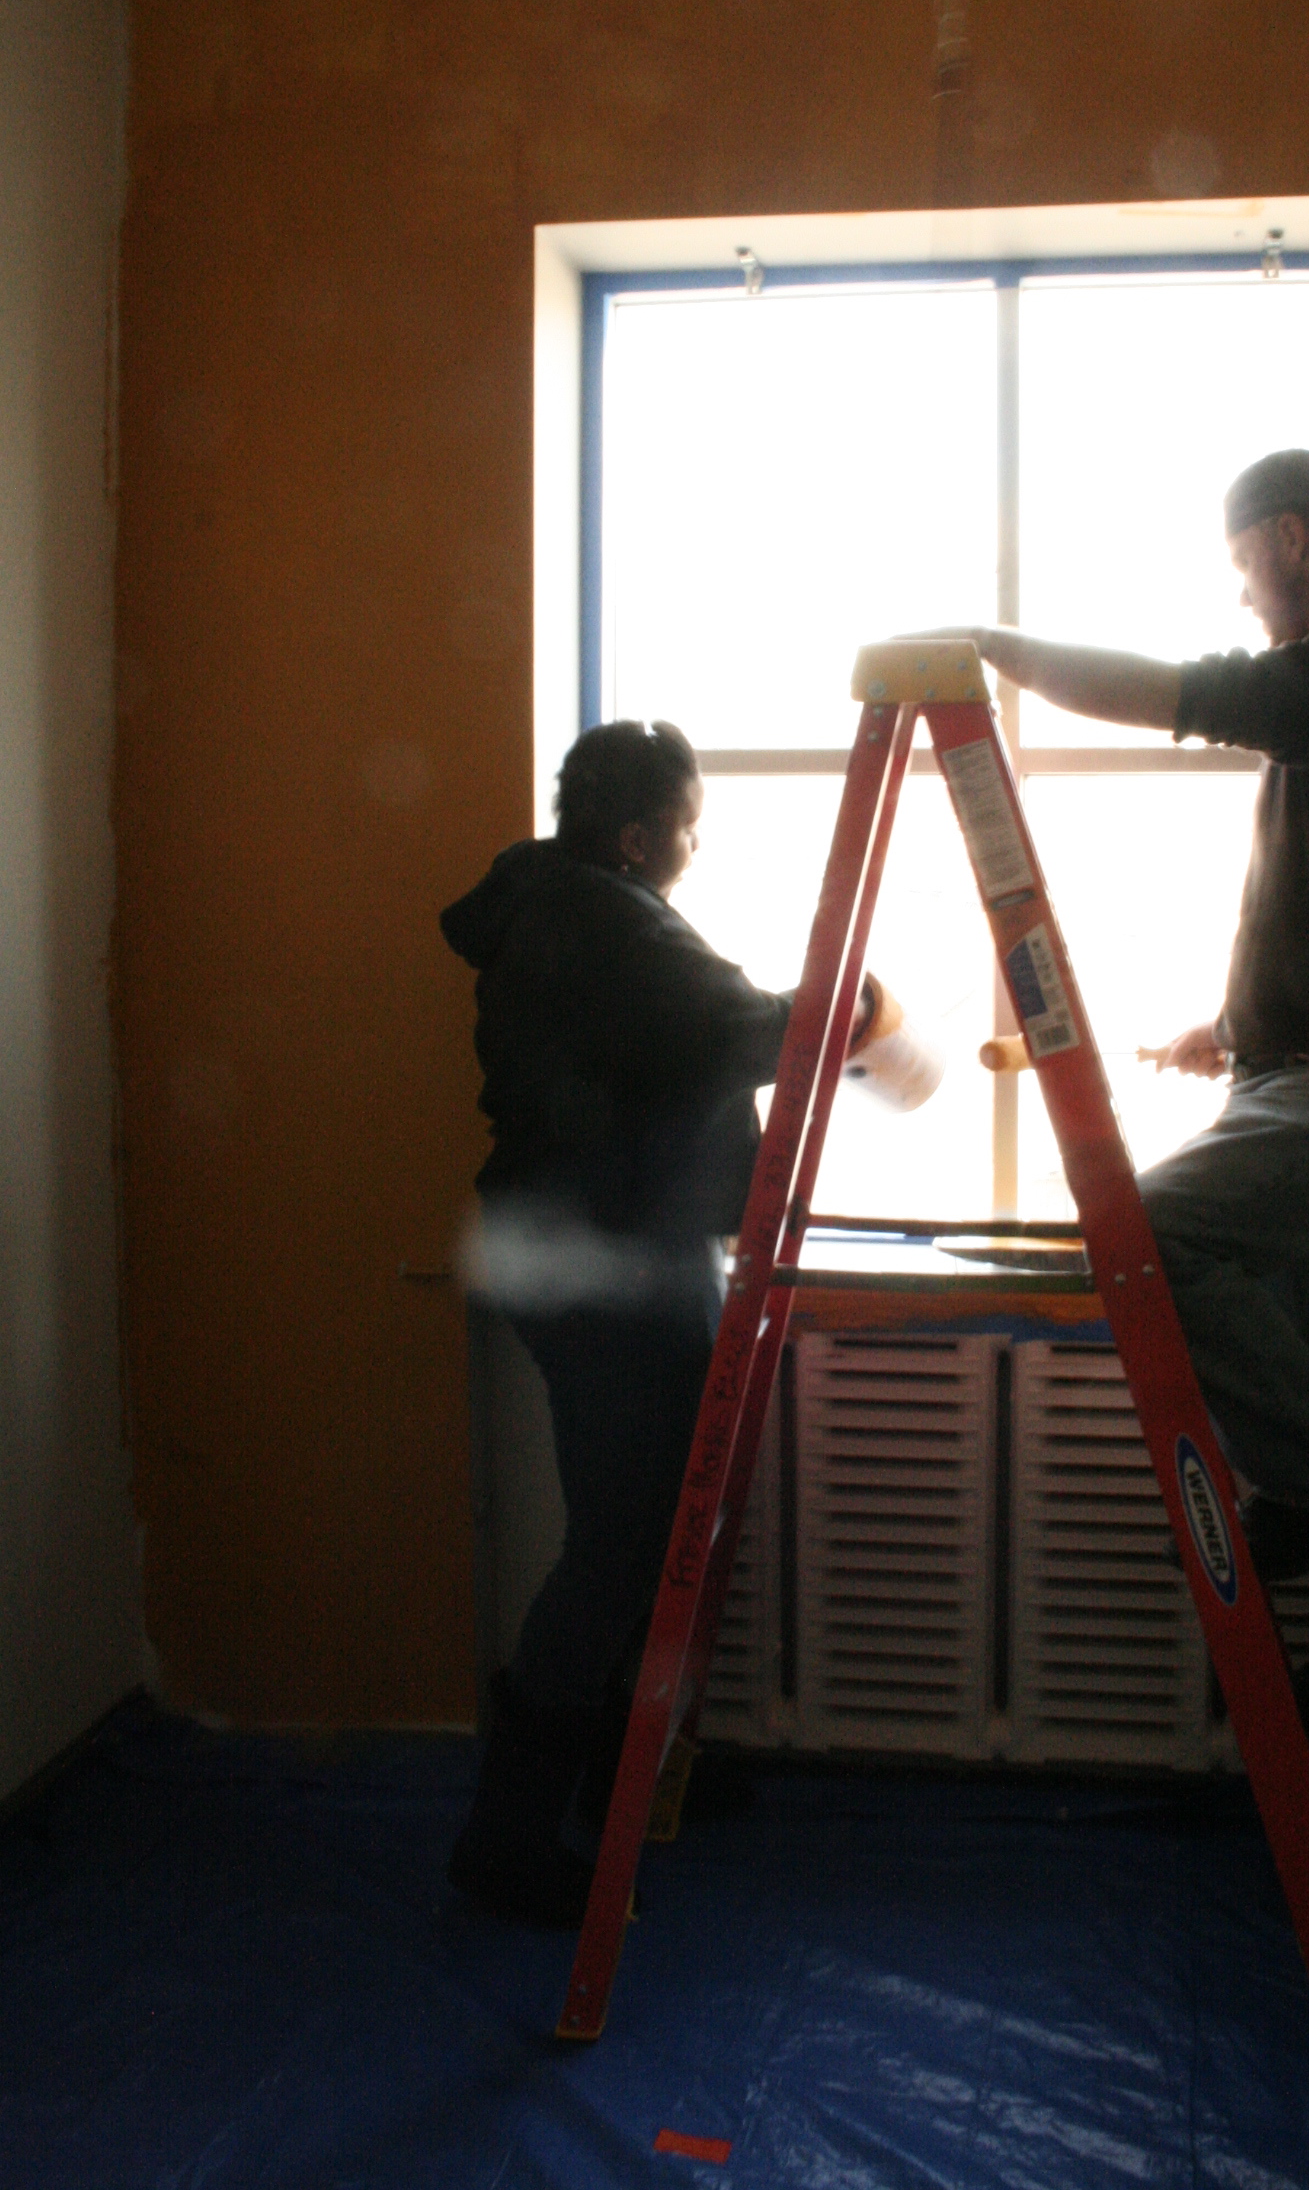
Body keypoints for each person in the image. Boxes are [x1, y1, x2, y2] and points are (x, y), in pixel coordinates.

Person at [954, 448, 1309, 1783]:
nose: (1244, 595)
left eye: (1245, 563)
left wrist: (989, 650)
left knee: (1151, 1235)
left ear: (1292, 538)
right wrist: (1232, 1029)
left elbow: (1172, 693)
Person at [441, 718, 872, 1923]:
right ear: (636, 837)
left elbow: (677, 1045)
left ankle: (620, 1766)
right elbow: (742, 1029)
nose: (695, 846)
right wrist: (863, 1010)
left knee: (649, 1525)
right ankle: (507, 1843)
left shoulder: (570, 906)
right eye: (687, 826)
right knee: (620, 1543)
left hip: (604, 1246)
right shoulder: (602, 919)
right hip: (600, 1260)